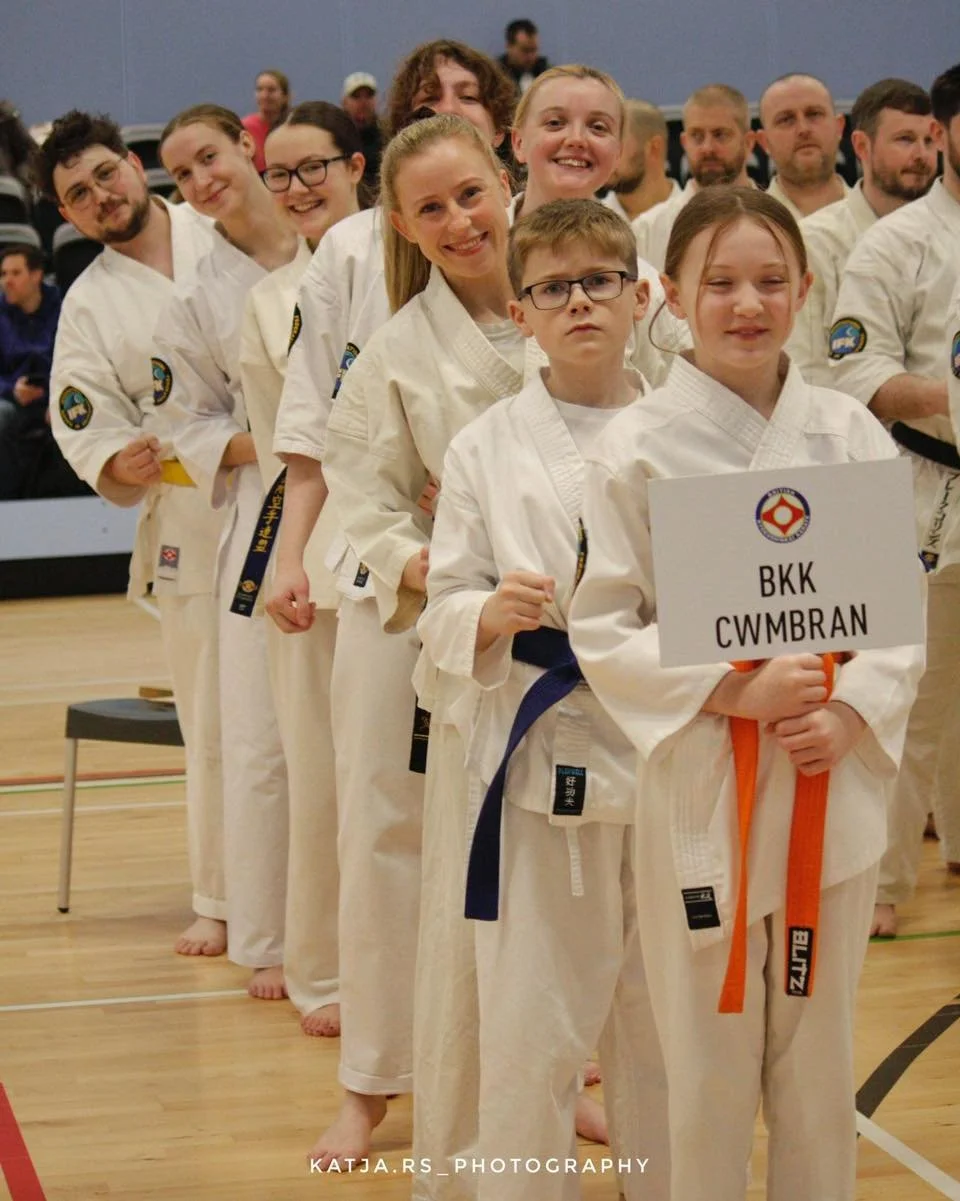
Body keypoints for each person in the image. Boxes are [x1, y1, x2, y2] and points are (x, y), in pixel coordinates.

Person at [568, 186, 923, 1201]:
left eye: (771, 281)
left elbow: (896, 615)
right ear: (667, 296)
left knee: (819, 1069)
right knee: (706, 1070)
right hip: (702, 787)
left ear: (806, 291)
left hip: (829, 776)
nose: (746, 304)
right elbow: (602, 625)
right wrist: (731, 689)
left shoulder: (849, 433)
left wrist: (851, 708)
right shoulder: (637, 445)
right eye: (717, 282)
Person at [269, 41, 518, 1185]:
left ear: (506, 179)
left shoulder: (588, 294)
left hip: (545, 626)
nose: (461, 220)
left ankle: (549, 1078)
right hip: (404, 621)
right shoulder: (389, 342)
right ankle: (372, 1085)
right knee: (386, 842)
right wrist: (430, 563)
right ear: (403, 227)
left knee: (548, 853)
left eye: (473, 193)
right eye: (434, 208)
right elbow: (355, 496)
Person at [418, 197, 669, 1201]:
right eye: (553, 288)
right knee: (535, 1022)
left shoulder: (689, 424)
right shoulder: (485, 443)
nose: (579, 304)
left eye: (599, 282)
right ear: (521, 313)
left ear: (641, 295)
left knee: (667, 1024)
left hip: (672, 751)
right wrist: (485, 612)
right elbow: (440, 600)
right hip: (543, 751)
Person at [40, 109, 226, 956]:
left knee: (308, 716)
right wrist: (125, 465)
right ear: (69, 218)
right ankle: (222, 898)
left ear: (134, 164)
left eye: (104, 175)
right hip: (190, 522)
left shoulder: (222, 224)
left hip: (290, 497)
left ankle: (314, 893)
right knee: (213, 719)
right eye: (78, 195)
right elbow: (84, 425)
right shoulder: (87, 307)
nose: (99, 197)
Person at [156, 103, 299, 994]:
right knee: (257, 735)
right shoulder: (197, 295)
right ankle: (270, 932)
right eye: (182, 175)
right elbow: (187, 427)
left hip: (361, 500)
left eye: (208, 156)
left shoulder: (343, 249)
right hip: (265, 507)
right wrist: (284, 439)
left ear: (245, 147)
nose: (202, 179)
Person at [239, 101, 365, 1037]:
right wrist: (290, 560)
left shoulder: (412, 272)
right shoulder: (268, 302)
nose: (296, 188)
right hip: (312, 544)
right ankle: (322, 971)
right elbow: (295, 451)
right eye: (278, 175)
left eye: (312, 167)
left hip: (415, 547)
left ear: (356, 166)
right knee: (319, 772)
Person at [828, 61, 960, 937]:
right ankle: (880, 883)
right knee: (912, 694)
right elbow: (854, 367)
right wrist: (948, 397)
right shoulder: (897, 243)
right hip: (927, 485)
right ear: (945, 131)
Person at [786, 79, 936, 385]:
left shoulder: (950, 236)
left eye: (930, 141)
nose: (921, 155)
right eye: (905, 139)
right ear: (861, 146)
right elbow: (808, 376)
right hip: (849, 425)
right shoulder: (814, 242)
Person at [632, 83, 754, 270]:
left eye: (720, 135)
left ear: (748, 142)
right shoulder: (647, 231)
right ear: (684, 142)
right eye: (697, 136)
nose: (707, 148)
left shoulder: (780, 220)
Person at [0, 245, 62, 498]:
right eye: (3, 274)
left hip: (58, 396)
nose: (7, 281)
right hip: (11, 399)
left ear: (37, 275)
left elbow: (81, 364)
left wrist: (58, 398)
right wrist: (12, 390)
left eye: (15, 273)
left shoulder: (65, 308)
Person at [758, 73, 849, 221]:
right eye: (786, 119)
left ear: (839, 127)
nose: (803, 129)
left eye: (814, 114)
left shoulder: (880, 220)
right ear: (764, 142)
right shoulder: (750, 224)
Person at [601, 98, 679, 222]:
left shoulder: (694, 219)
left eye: (616, 144)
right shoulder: (587, 223)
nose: (605, 155)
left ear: (654, 147)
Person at [242, 69, 291, 172]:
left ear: (285, 96)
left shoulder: (292, 127)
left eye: (271, 90)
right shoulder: (245, 128)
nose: (264, 95)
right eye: (259, 90)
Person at [342, 72, 382, 189]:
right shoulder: (337, 138)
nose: (363, 102)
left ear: (376, 100)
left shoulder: (389, 135)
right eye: (356, 96)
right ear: (344, 102)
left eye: (369, 96)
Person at [499, 18, 549, 96]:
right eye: (525, 50)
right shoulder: (497, 77)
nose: (530, 56)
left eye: (534, 50)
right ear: (509, 46)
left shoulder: (547, 74)